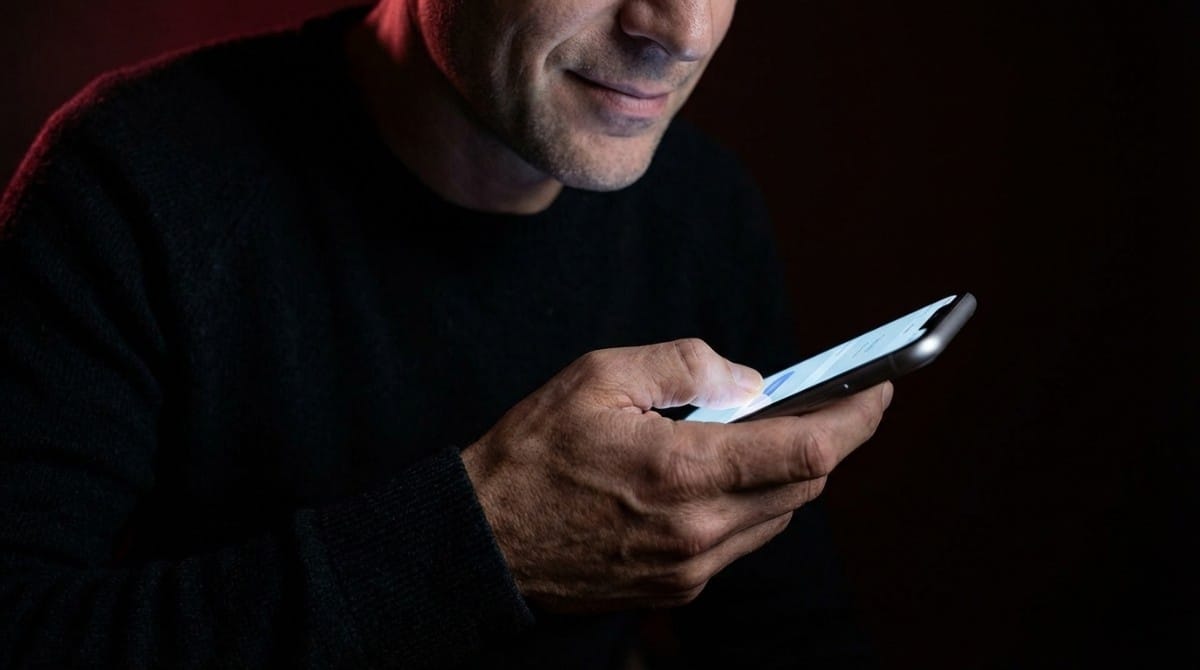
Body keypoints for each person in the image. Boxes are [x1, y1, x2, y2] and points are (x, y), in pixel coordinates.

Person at [0, 0, 893, 667]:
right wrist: (485, 543)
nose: (682, 28)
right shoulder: (130, 181)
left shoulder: (704, 210)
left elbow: (785, 630)